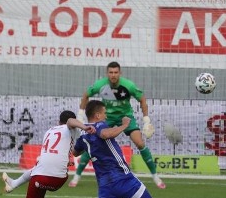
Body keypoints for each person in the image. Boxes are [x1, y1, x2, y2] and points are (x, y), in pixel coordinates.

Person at [69, 100, 192, 198]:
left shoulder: (84, 136)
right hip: (123, 179)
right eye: (104, 112)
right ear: (98, 115)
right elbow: (106, 134)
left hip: (105, 186)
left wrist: (74, 134)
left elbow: (75, 152)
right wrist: (124, 125)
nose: (106, 115)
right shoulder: (99, 126)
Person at [70, 61, 166, 189]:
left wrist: (146, 120)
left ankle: (155, 176)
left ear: (120, 73)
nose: (113, 75)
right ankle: (76, 176)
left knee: (140, 143)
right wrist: (80, 116)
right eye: (111, 72)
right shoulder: (101, 85)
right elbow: (86, 94)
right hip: (106, 117)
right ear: (107, 73)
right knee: (93, 143)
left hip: (125, 117)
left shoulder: (128, 85)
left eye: (116, 72)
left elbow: (142, 98)